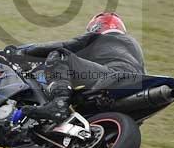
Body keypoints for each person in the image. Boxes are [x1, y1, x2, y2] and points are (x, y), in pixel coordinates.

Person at [9, 12, 145, 122]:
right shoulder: (134, 46)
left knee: (61, 55)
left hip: (113, 75)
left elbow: (64, 46)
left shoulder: (99, 36)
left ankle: (59, 104)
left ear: (98, 27)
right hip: (135, 85)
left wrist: (24, 52)